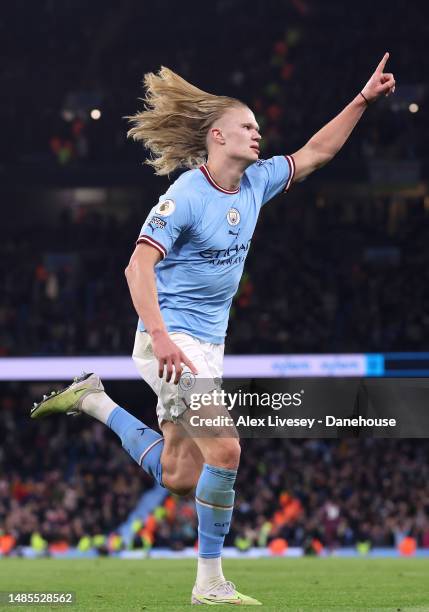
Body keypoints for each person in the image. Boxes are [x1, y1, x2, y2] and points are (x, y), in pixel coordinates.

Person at [31, 54, 395, 605]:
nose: (258, 133)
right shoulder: (184, 197)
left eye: (257, 126)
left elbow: (316, 152)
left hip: (208, 346)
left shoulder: (255, 183)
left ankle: (94, 402)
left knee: (180, 475)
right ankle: (210, 584)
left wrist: (363, 99)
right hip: (170, 342)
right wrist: (161, 338)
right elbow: (137, 267)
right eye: (248, 126)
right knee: (226, 450)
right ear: (218, 136)